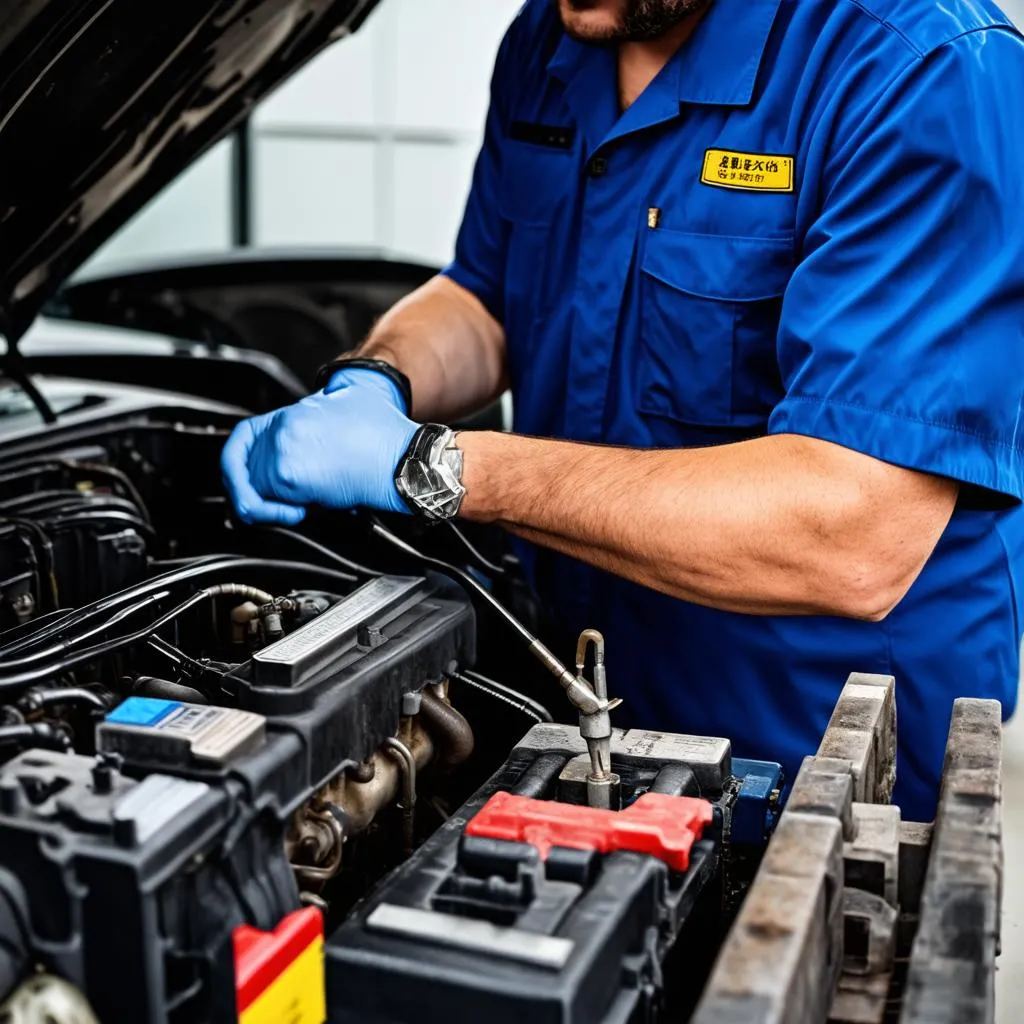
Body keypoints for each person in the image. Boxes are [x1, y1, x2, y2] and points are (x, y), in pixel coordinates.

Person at [221, 0, 1024, 822]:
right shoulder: (553, 39)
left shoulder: (919, 66)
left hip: (816, 754)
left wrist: (437, 466)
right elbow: (486, 297)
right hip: (572, 700)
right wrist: (377, 381)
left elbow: (855, 530)